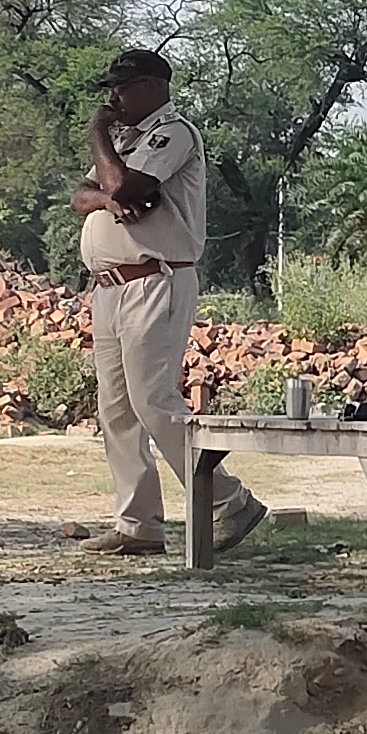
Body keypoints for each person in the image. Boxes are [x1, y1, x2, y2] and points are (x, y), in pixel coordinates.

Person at [71, 48, 262, 558]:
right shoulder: (129, 139)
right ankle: (138, 525)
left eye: (124, 87)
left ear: (155, 86)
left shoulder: (171, 133)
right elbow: (83, 197)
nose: (114, 99)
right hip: (110, 286)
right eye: (111, 88)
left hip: (156, 278)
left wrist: (99, 140)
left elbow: (130, 186)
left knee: (154, 402)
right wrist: (112, 196)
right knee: (116, 408)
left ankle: (229, 499)